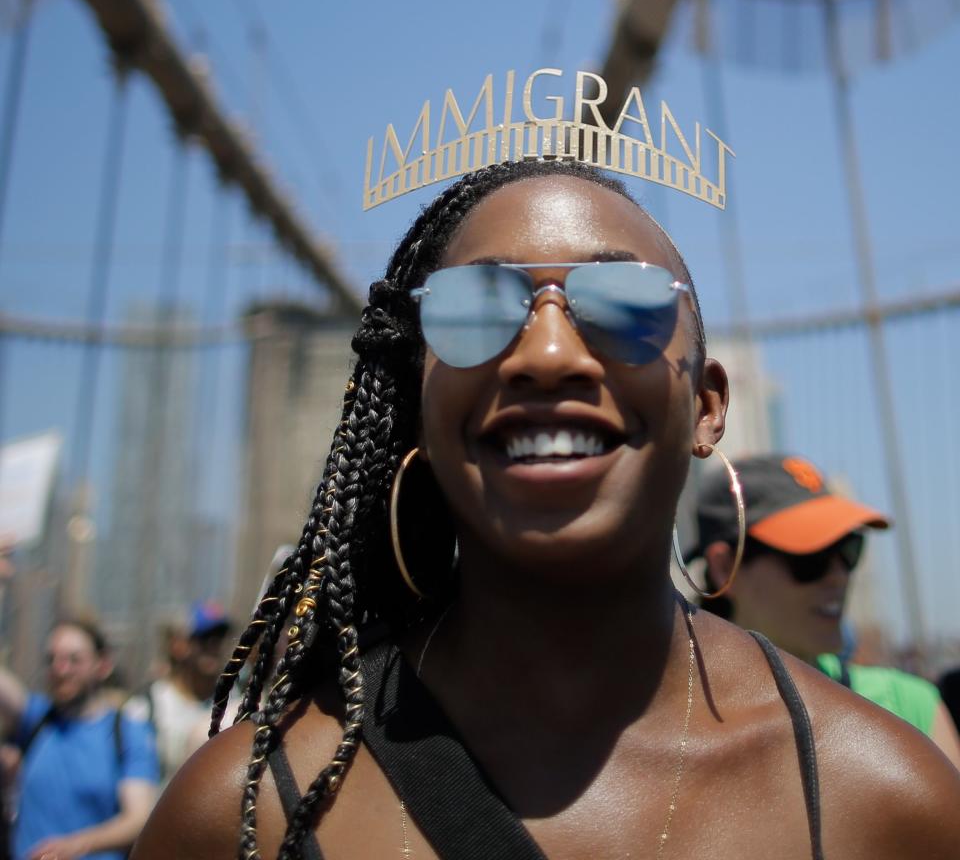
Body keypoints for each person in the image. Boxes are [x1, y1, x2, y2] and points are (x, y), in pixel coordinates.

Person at [133, 157, 960, 859]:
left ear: (709, 407)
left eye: (626, 304)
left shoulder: (887, 805)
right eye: (475, 309)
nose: (549, 353)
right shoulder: (240, 815)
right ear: (418, 403)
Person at [689, 451, 960, 765]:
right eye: (811, 559)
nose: (839, 575)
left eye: (847, 549)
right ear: (725, 567)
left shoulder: (908, 708)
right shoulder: (677, 723)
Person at [0, 616, 158, 860]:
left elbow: (138, 818)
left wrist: (75, 846)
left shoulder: (127, 732)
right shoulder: (35, 720)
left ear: (102, 665)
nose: (60, 670)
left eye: (74, 660)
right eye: (52, 659)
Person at [134, 603, 232, 785]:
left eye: (220, 638)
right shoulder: (148, 706)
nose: (213, 646)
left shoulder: (237, 704)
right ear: (179, 645)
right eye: (203, 638)